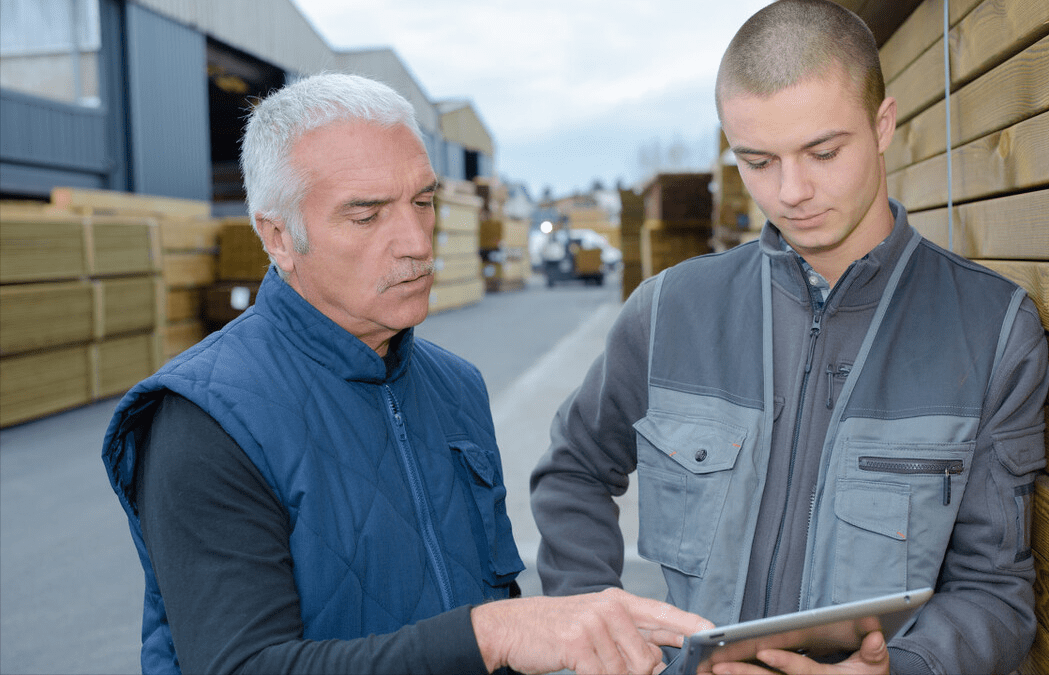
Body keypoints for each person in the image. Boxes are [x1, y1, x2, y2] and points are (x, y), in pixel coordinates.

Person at [101, 72, 711, 675]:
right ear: (279, 236)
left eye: (423, 202)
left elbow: (484, 608)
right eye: (367, 216)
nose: (417, 241)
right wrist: (488, 637)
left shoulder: (455, 388)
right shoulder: (206, 420)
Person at [529, 2, 1049, 674]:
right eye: (758, 160)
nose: (793, 190)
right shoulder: (668, 313)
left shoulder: (992, 331)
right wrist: (604, 639)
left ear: (883, 123)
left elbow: (995, 594)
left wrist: (906, 666)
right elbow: (572, 471)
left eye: (823, 152)